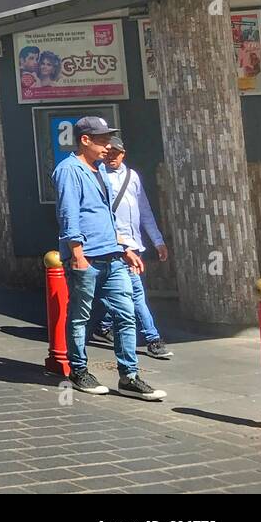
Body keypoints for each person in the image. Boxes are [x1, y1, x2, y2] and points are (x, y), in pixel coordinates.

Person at [55, 116, 166, 400]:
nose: (107, 147)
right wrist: (77, 254)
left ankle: (129, 375)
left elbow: (107, 214)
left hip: (113, 254)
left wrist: (125, 248)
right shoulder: (69, 170)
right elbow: (69, 214)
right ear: (85, 140)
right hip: (87, 257)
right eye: (102, 140)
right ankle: (78, 370)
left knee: (125, 314)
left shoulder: (101, 170)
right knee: (80, 317)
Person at [91, 136, 173, 360]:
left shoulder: (132, 177)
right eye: (108, 153)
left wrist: (157, 240)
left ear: (123, 154)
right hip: (115, 246)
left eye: (115, 153)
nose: (111, 157)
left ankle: (103, 327)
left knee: (123, 291)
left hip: (134, 246)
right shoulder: (98, 176)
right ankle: (152, 339)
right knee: (136, 294)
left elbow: (144, 210)